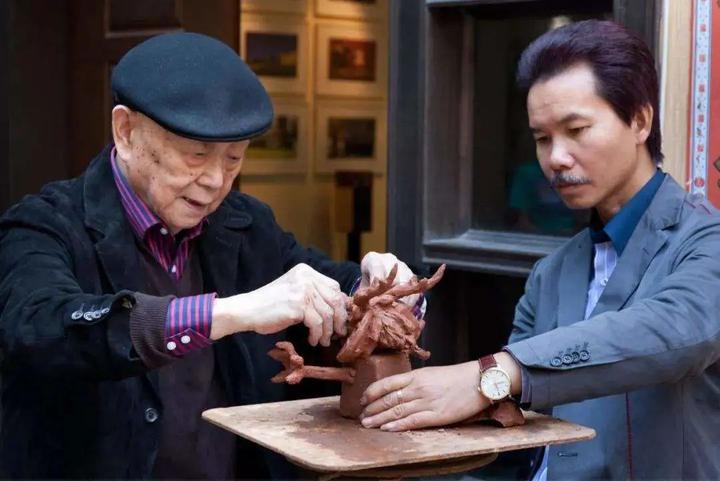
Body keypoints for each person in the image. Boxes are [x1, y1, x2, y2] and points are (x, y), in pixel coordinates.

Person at [0, 32, 417, 479]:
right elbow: (46, 329)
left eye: (234, 159)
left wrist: (380, 289)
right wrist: (232, 312)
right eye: (196, 155)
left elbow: (328, 283)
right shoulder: (43, 224)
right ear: (126, 131)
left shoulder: (246, 223)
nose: (216, 181)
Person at [360, 20, 720, 480]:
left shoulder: (706, 240)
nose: (555, 158)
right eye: (542, 138)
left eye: (576, 129)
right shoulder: (552, 271)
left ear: (640, 121)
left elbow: (672, 329)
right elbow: (512, 413)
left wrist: (492, 373)